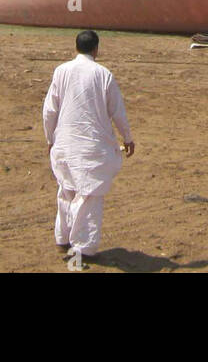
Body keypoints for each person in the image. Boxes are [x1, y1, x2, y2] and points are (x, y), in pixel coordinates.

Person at [42, 30, 135, 260]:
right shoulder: (103, 74)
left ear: (76, 48)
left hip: (64, 142)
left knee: (66, 190)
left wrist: (50, 139)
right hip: (91, 146)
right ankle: (81, 248)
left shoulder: (61, 71)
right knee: (89, 195)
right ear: (96, 49)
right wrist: (128, 137)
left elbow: (49, 110)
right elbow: (117, 111)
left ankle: (62, 238)